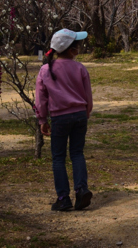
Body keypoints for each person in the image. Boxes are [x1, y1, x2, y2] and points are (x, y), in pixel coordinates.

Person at [35, 28, 94, 212]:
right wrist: (86, 113)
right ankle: (81, 189)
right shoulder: (80, 68)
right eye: (77, 44)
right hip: (79, 116)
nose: (79, 47)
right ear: (71, 50)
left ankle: (63, 198)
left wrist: (42, 119)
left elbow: (40, 98)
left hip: (59, 118)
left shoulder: (45, 70)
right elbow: (88, 96)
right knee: (77, 153)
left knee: (58, 158)